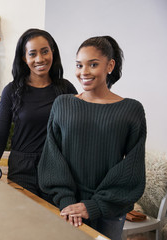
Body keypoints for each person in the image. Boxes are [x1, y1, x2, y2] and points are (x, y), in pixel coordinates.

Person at [38, 36, 146, 239]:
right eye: (79, 65)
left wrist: (94, 206)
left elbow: (133, 168)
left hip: (109, 210)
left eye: (93, 64)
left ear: (110, 65)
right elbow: (52, 156)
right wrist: (67, 200)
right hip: (66, 206)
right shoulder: (62, 104)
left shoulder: (132, 110)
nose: (83, 72)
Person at [0, 28, 77, 198]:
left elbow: (77, 132)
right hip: (22, 169)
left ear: (53, 52)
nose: (40, 59)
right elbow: (1, 137)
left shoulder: (66, 89)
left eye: (45, 52)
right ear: (24, 58)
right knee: (26, 220)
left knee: (54, 221)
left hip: (56, 168)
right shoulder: (12, 91)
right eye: (32, 54)